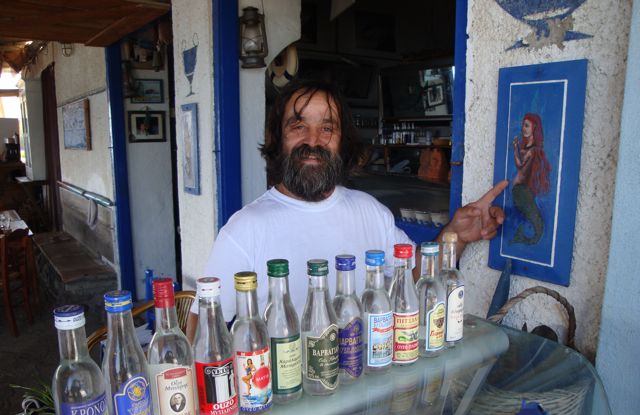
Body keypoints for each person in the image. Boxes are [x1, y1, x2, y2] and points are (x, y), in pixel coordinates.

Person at [186, 79, 507, 339]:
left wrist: (455, 236)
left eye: (327, 128)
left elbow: (410, 276)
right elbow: (202, 332)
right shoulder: (245, 229)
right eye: (299, 126)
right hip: (290, 407)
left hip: (366, 393)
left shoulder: (369, 211)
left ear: (343, 141)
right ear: (277, 138)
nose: (314, 140)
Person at [511, 113, 551, 245]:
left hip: (522, 192)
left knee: (535, 222)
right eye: (523, 125)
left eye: (527, 125)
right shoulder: (528, 149)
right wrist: (517, 148)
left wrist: (515, 150)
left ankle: (523, 238)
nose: (523, 128)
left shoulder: (532, 151)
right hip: (520, 192)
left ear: (534, 128)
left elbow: (520, 166)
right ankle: (522, 236)